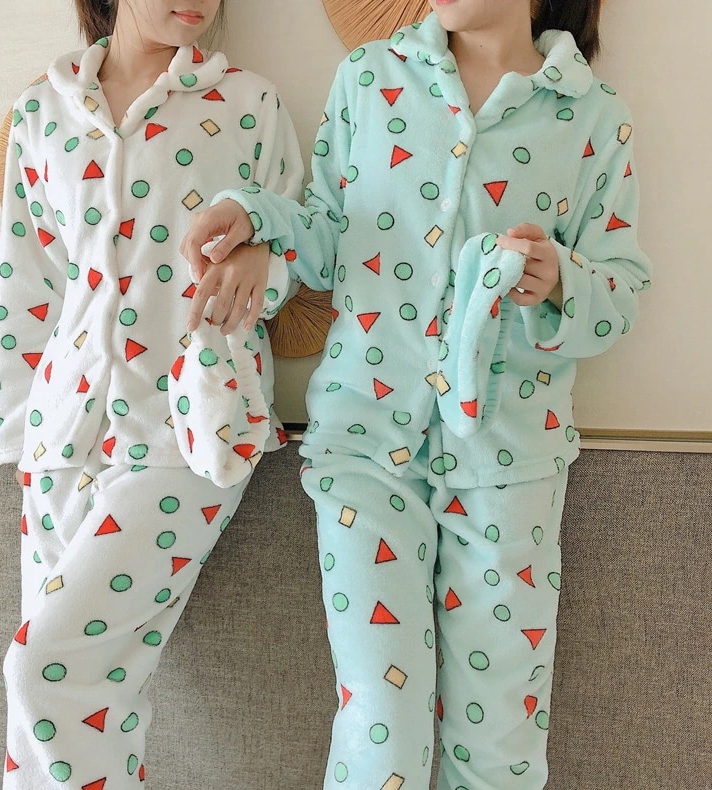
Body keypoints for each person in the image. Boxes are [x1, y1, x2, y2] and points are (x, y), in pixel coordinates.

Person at [181, 1, 652, 787]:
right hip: (363, 450)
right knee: (380, 725)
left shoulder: (591, 114)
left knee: (500, 742)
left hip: (510, 464)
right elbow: (328, 233)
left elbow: (622, 291)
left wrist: (560, 280)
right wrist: (256, 221)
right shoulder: (371, 79)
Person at [0, 0, 302, 786]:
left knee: (45, 670)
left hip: (186, 432)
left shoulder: (248, 103)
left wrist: (262, 263)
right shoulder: (41, 111)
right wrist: (18, 436)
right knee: (68, 706)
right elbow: (28, 282)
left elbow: (300, 250)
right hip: (60, 434)